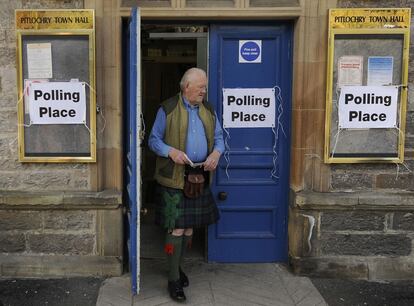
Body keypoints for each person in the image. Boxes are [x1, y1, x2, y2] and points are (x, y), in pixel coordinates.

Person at [148, 67, 224, 302]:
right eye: (200, 86)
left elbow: (220, 138)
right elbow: (153, 140)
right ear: (186, 87)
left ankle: (178, 268)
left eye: (205, 86)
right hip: (173, 176)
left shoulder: (209, 110)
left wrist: (216, 154)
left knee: (189, 227)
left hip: (199, 174)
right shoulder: (167, 108)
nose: (204, 90)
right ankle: (173, 279)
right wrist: (170, 151)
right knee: (176, 228)